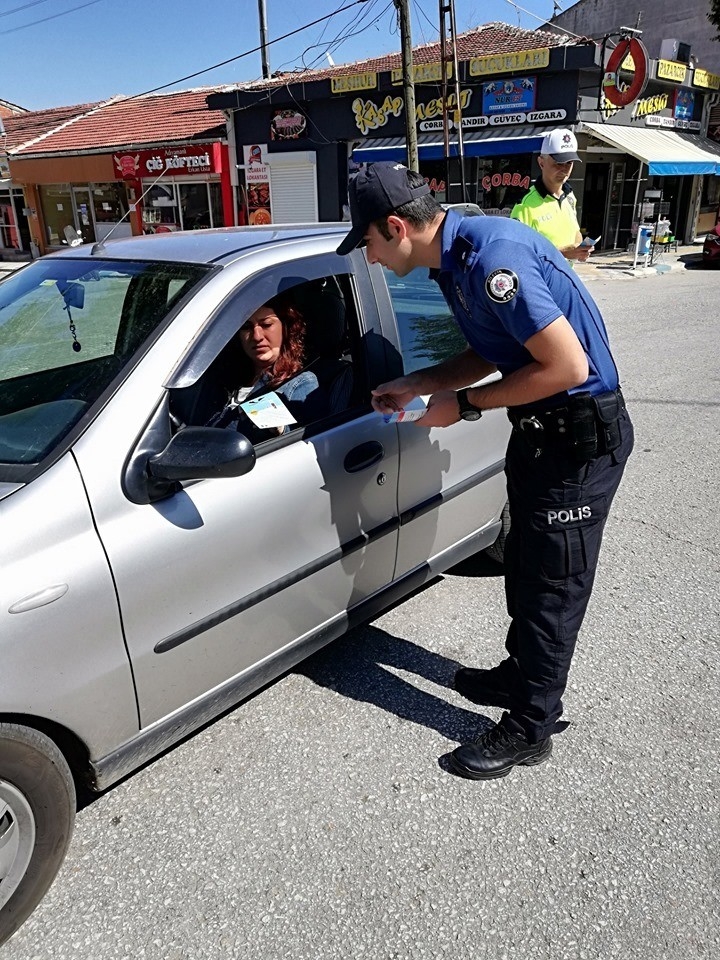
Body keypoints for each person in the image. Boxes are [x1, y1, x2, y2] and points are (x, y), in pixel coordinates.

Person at [337, 161, 634, 781]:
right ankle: (519, 675)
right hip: (538, 432)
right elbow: (490, 349)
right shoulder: (454, 259)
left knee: (554, 585)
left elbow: (566, 368)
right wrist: (419, 381)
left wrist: (462, 406)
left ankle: (532, 724)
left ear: (396, 227)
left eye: (366, 242)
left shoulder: (493, 258)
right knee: (525, 565)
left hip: (578, 437)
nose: (367, 256)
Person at [208, 294, 326, 438]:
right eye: (246, 327)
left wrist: (280, 430)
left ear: (286, 328)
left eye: (266, 325)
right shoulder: (224, 379)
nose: (257, 336)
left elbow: (311, 440)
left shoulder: (301, 383)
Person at [511, 129, 593, 263]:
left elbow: (575, 233)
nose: (564, 169)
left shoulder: (570, 197)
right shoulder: (524, 205)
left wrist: (580, 250)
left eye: (569, 163)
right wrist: (563, 253)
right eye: (559, 163)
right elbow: (517, 254)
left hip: (567, 277)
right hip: (541, 281)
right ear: (541, 162)